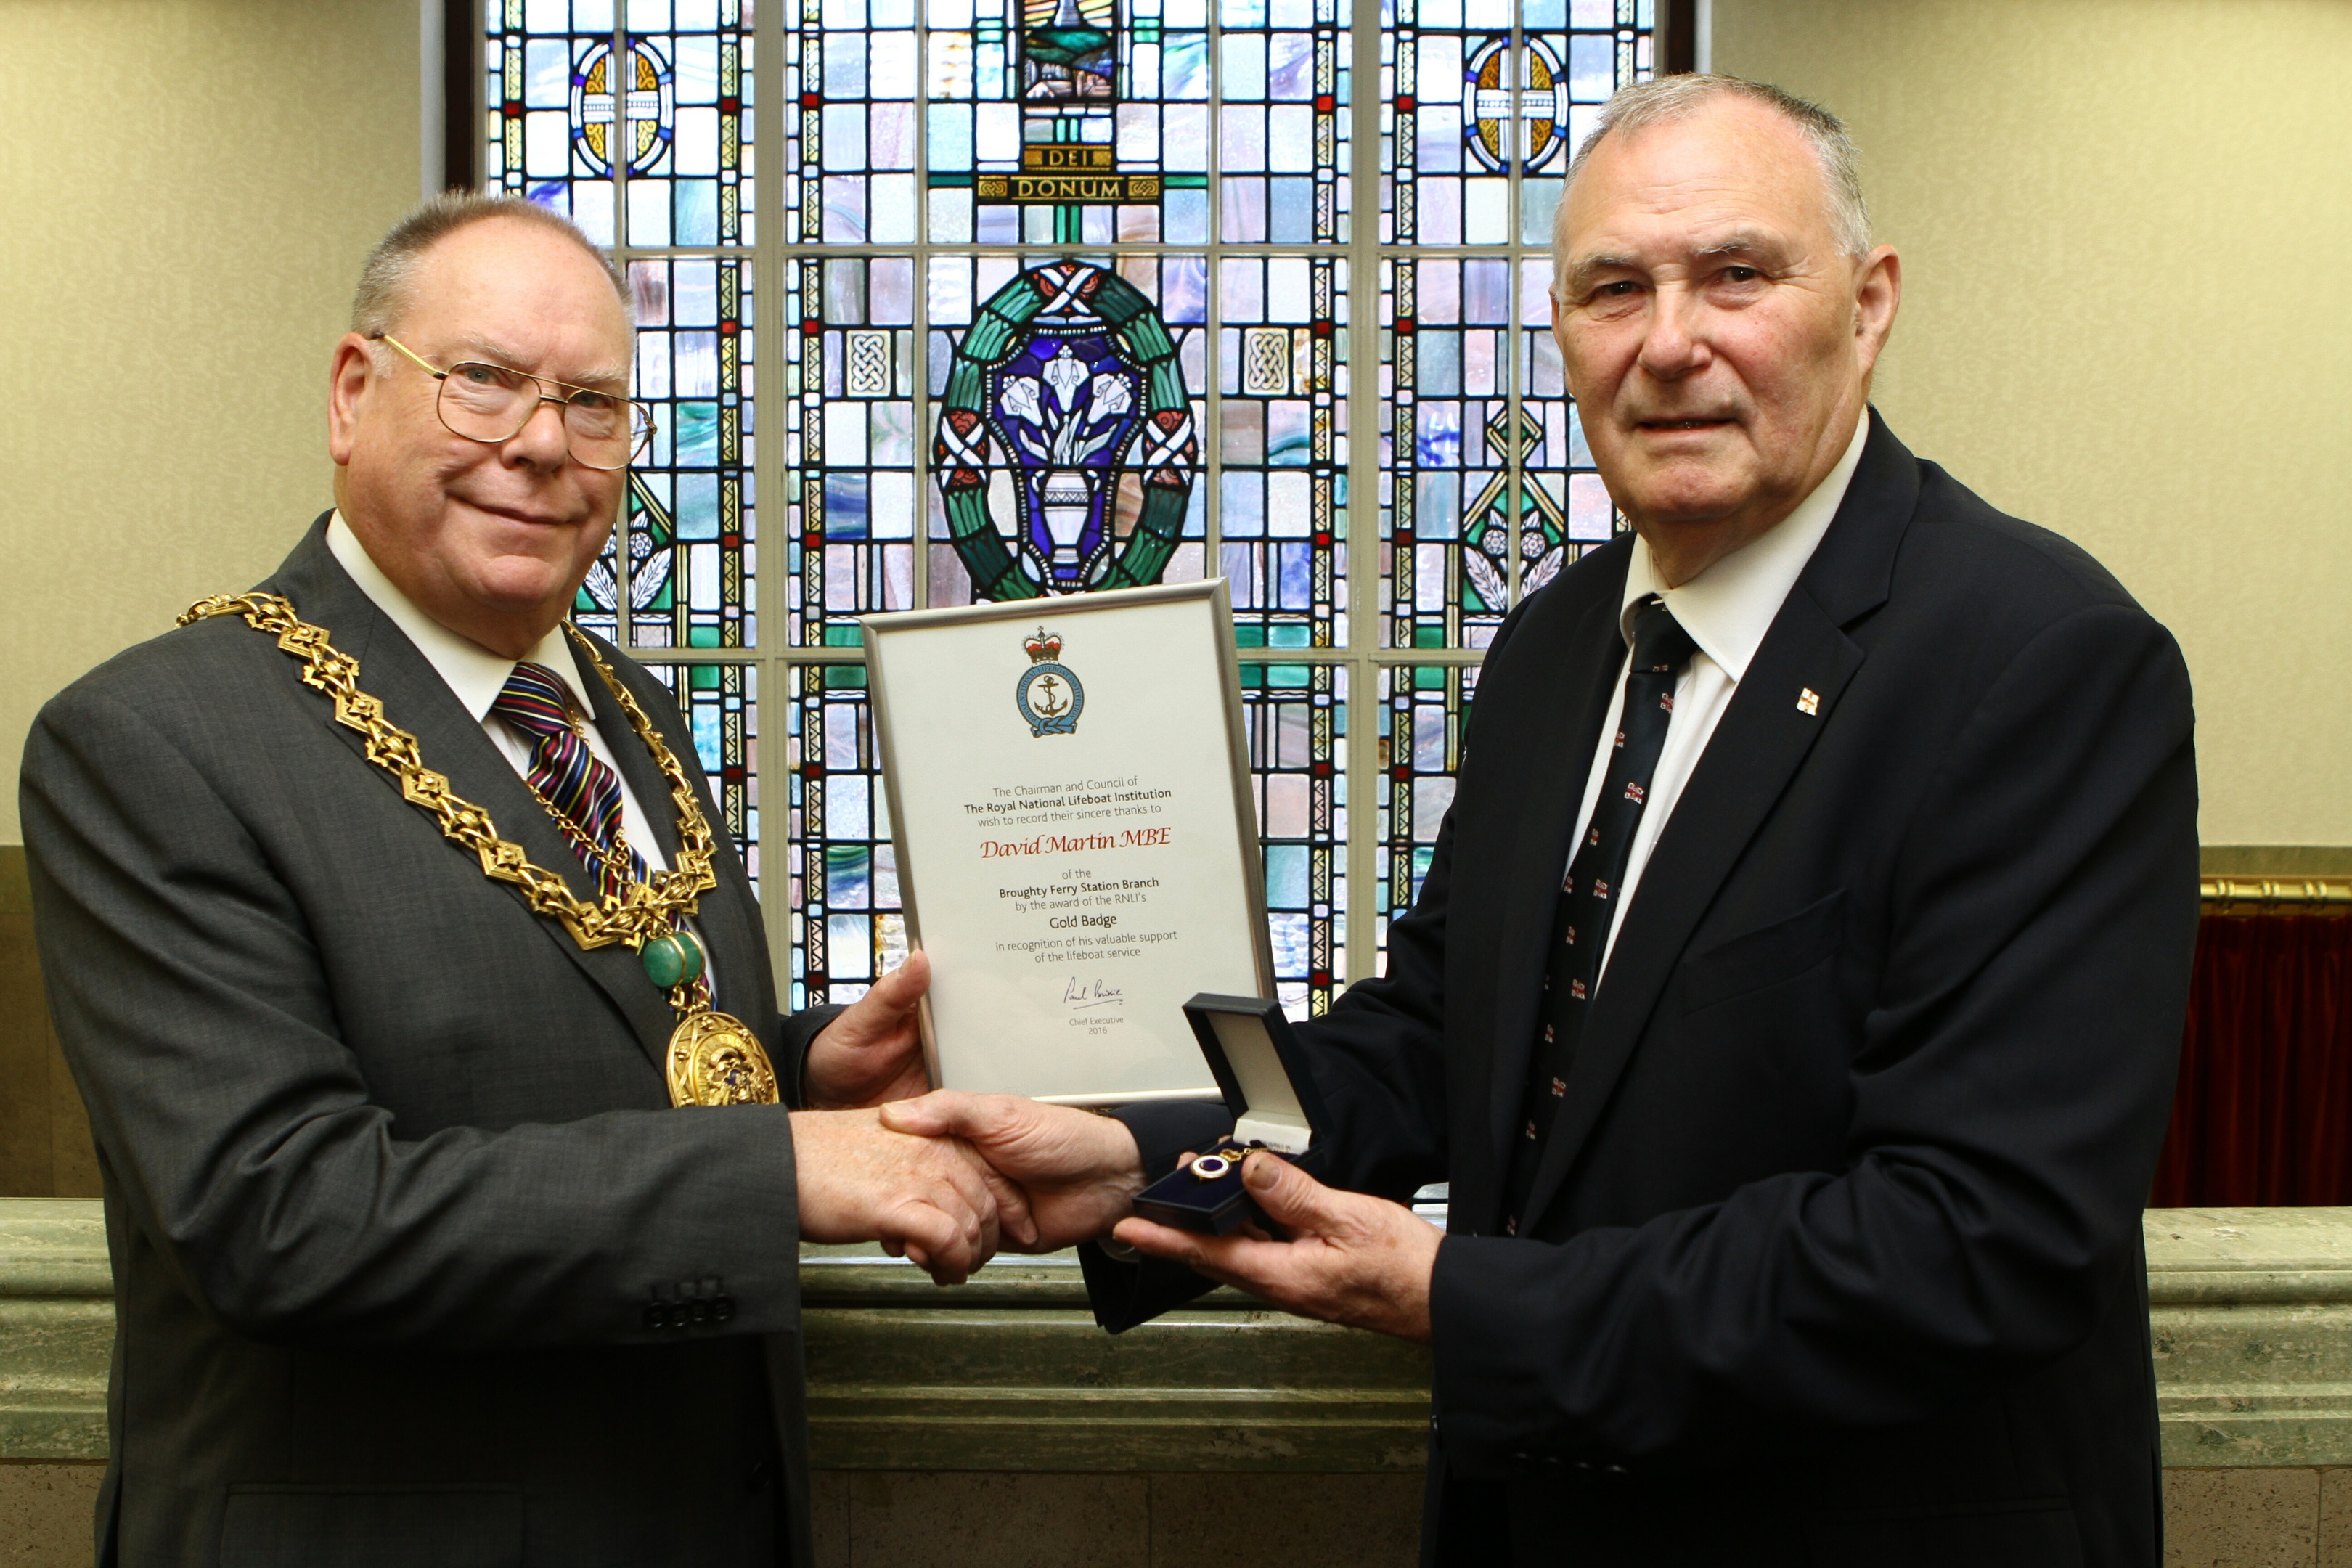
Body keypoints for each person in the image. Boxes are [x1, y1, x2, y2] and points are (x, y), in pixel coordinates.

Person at [886, 75, 2200, 1566]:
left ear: (1871, 302)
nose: (1670, 344)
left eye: (1737, 276)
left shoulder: (2039, 661)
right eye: (1612, 289)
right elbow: (1434, 1037)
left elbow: (1975, 1242)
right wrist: (1138, 1151)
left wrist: (1459, 1300)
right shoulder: (1558, 644)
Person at [20, 193, 1013, 1567]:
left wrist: (807, 1075)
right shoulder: (157, 741)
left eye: (594, 403)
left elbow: (594, 1054)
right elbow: (274, 1214)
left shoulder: (632, 708)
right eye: (484, 382)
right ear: (355, 393)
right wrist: (773, 1164)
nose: (544, 444)